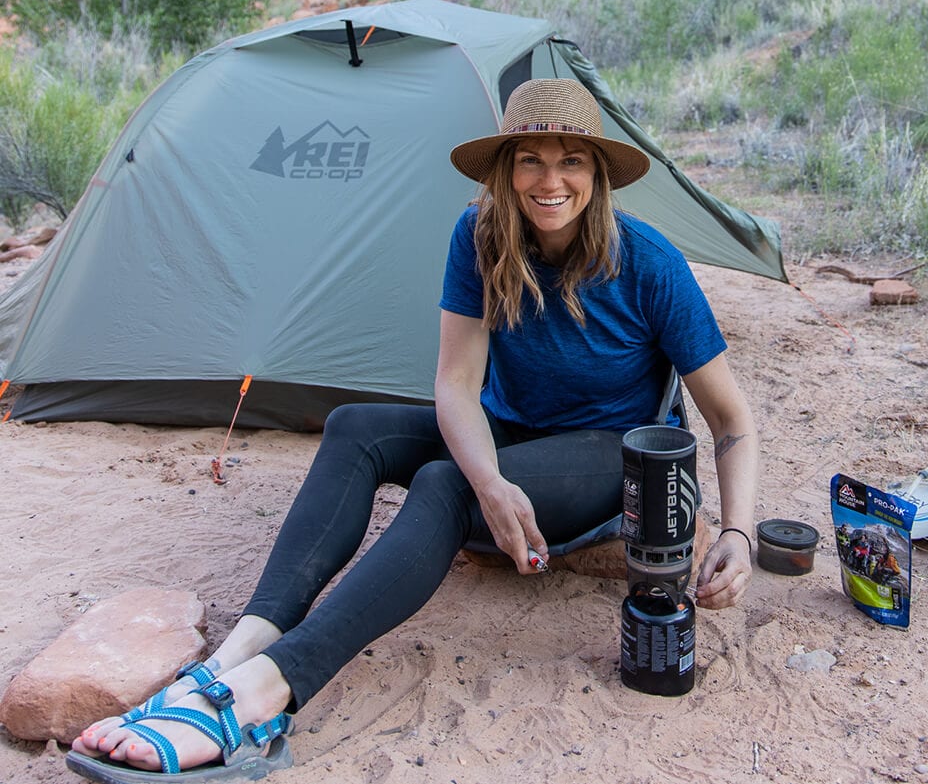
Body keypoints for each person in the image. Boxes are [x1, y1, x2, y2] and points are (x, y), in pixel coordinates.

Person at [66, 77, 759, 783]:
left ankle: (270, 687)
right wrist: (493, 479)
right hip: (513, 432)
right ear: (505, 168)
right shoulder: (480, 235)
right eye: (530, 160)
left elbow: (731, 421)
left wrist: (735, 530)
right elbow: (456, 384)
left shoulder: (648, 261)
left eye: (571, 161)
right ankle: (243, 647)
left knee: (445, 484)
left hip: (612, 454)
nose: (550, 181)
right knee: (355, 427)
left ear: (598, 174)